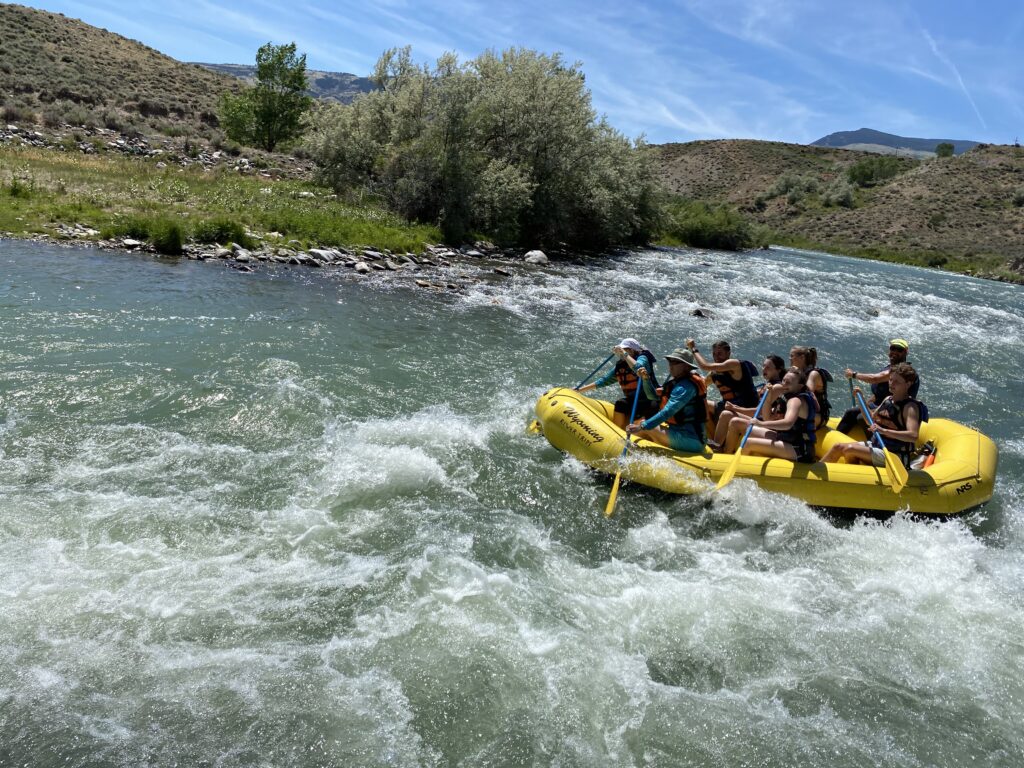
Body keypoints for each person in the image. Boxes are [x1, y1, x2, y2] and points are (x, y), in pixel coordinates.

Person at [821, 363, 927, 468]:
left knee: (849, 449)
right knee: (838, 447)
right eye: (890, 379)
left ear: (908, 384)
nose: (891, 383)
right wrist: (861, 399)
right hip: (877, 447)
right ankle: (818, 472)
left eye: (897, 382)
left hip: (894, 456)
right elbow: (870, 420)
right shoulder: (888, 400)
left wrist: (884, 431)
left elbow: (913, 436)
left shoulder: (910, 407)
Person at [722, 366, 819, 463]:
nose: (784, 384)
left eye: (788, 382)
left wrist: (760, 424)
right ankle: (726, 457)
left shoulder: (795, 401)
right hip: (786, 438)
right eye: (783, 381)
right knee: (736, 422)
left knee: (747, 442)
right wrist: (768, 398)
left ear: (800, 386)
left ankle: (739, 471)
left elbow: (787, 423)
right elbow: (767, 418)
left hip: (800, 449)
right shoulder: (787, 395)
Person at [626, 348, 706, 453]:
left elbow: (668, 412)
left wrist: (642, 426)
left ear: (686, 367)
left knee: (646, 426)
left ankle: (629, 453)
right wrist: (646, 379)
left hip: (692, 439)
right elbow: (652, 396)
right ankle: (632, 451)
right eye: (670, 361)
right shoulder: (676, 382)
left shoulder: (685, 388)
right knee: (640, 422)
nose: (671, 365)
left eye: (676, 362)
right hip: (677, 431)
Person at [835, 338, 920, 435]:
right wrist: (866, 404)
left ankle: (873, 440)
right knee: (854, 413)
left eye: (899, 350)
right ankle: (841, 437)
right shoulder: (890, 368)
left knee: (857, 416)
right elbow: (879, 392)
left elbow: (875, 378)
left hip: (895, 409)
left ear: (906, 352)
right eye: (893, 348)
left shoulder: (902, 371)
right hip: (882, 405)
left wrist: (853, 374)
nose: (895, 352)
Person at [576, 338, 660, 428]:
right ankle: (617, 431)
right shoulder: (621, 365)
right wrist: (578, 390)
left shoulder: (643, 358)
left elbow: (637, 368)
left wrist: (624, 353)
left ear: (632, 350)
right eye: (621, 350)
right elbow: (603, 381)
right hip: (634, 400)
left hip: (650, 401)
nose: (621, 353)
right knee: (620, 403)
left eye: (625, 350)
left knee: (648, 412)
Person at [709, 354, 786, 450]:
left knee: (726, 414)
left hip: (763, 423)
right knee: (724, 412)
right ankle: (717, 446)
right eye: (763, 366)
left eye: (768, 367)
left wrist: (735, 408)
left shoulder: (776, 387)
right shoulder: (768, 385)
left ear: (778, 370)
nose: (764, 369)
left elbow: (761, 411)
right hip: (757, 419)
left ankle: (719, 449)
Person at [685, 338, 760, 423]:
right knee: (698, 404)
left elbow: (704, 366)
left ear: (728, 353)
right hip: (727, 407)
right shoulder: (713, 374)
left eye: (720, 354)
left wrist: (693, 348)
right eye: (714, 354)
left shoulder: (734, 364)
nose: (716, 357)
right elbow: (702, 385)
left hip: (745, 409)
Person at [789, 346, 832, 429]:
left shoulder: (813, 374)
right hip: (805, 411)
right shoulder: (797, 372)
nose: (789, 359)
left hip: (818, 415)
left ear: (802, 358)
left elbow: (807, 394)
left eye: (792, 356)